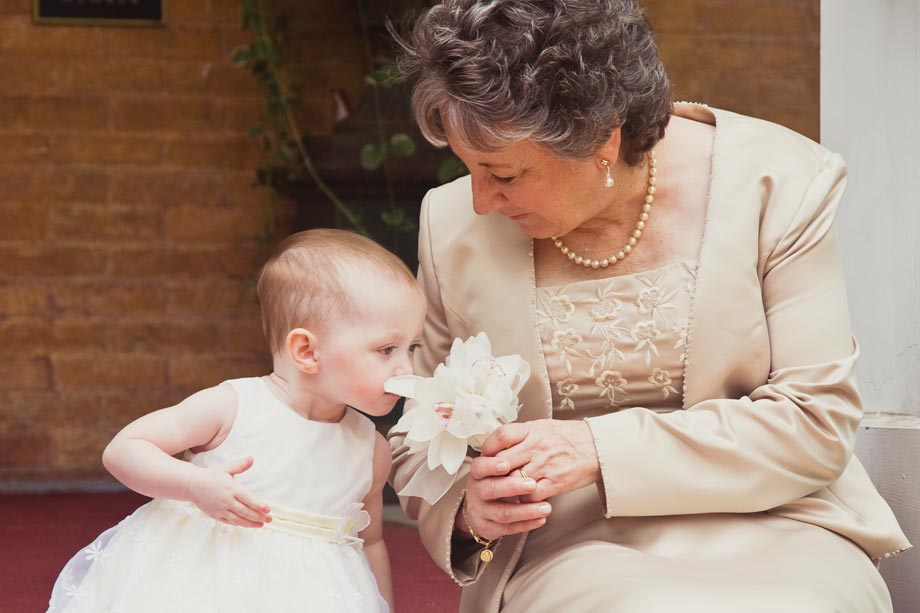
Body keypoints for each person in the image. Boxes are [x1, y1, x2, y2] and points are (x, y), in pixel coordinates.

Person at [387, 1, 911, 612]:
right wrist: (467, 510)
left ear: (601, 142)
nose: (478, 201)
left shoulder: (780, 182)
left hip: (782, 520)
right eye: (466, 168)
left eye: (502, 173)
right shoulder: (449, 223)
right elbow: (415, 439)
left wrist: (596, 448)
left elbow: (814, 424)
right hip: (567, 542)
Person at [47, 229, 426, 613]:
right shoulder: (232, 407)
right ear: (307, 351)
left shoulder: (370, 450)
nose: (406, 368)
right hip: (204, 587)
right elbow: (124, 450)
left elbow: (370, 541)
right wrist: (194, 484)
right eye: (386, 349)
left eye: (412, 347)